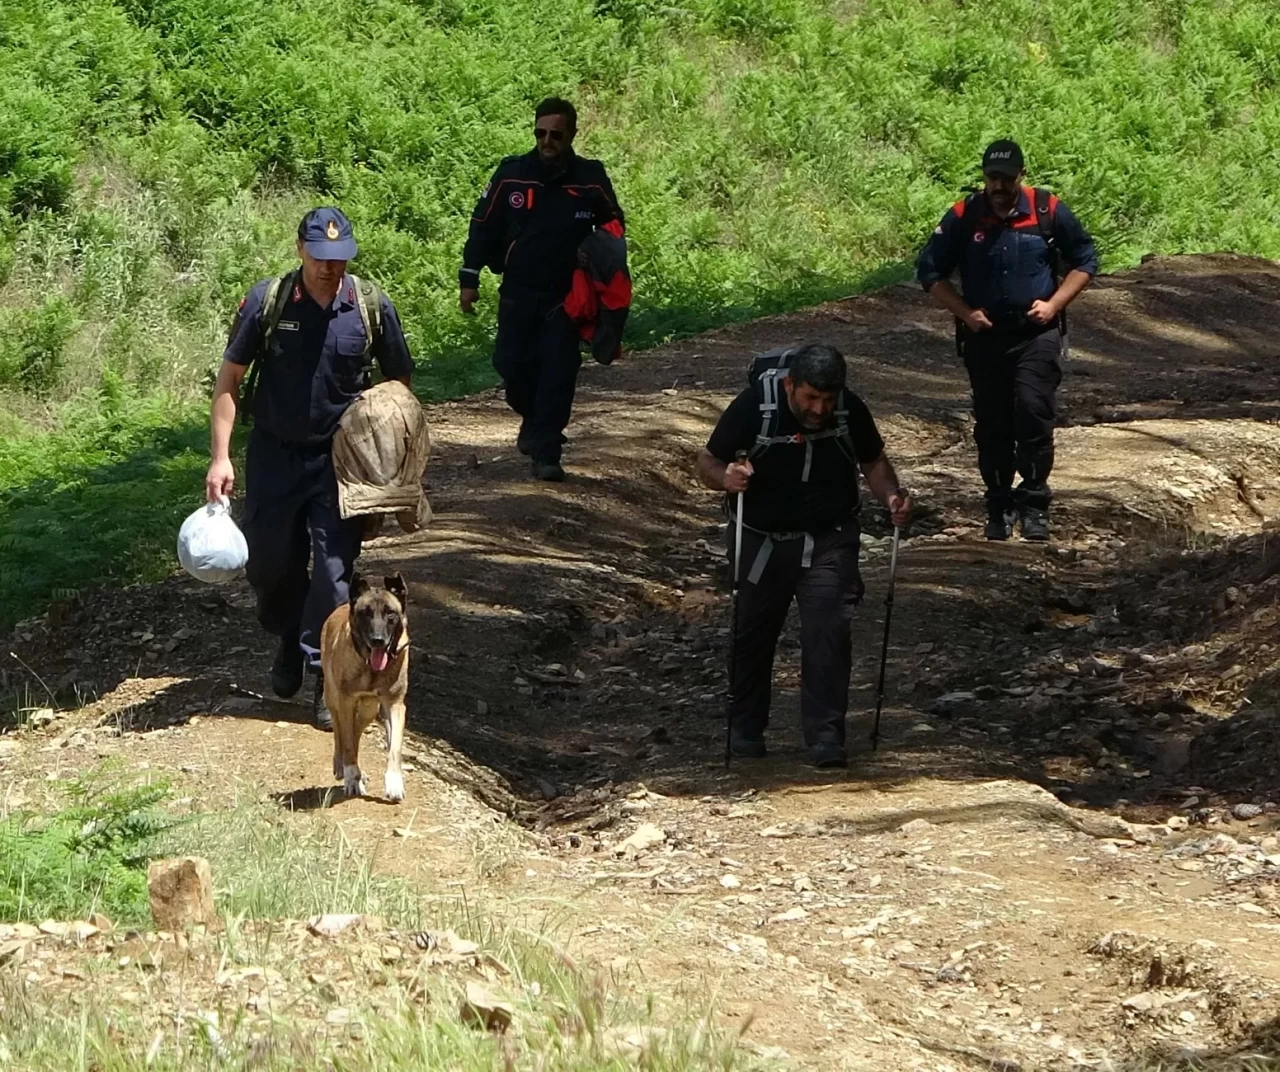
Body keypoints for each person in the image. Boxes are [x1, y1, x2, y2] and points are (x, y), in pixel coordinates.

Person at [205, 207, 415, 729]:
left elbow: (399, 386)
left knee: (332, 571)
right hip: (275, 455)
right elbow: (229, 381)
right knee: (270, 564)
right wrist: (220, 456)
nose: (330, 268)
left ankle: (324, 674)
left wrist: (392, 457)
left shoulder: (368, 306)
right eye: (321, 257)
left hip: (341, 463)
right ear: (300, 249)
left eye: (340, 259)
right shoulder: (267, 302)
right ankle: (288, 636)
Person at [695, 344, 912, 769]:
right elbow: (707, 462)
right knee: (753, 634)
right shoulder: (755, 406)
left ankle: (827, 736)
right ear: (791, 385)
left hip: (830, 538)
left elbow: (872, 461)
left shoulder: (850, 410)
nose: (820, 409)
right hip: (761, 539)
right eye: (811, 398)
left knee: (829, 632)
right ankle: (745, 728)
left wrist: (891, 497)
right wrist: (727, 478)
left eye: (828, 400)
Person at [916, 139, 1097, 542]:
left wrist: (1054, 305)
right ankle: (997, 505)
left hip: (1037, 334)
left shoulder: (1047, 210)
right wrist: (964, 313)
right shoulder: (964, 216)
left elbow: (1085, 261)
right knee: (993, 423)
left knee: (1033, 412)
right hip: (985, 337)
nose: (999, 185)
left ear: (1022, 175)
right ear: (984, 177)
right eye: (992, 177)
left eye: (1007, 178)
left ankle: (1034, 505)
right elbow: (929, 272)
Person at [459, 97, 624, 482]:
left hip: (566, 298)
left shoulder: (590, 178)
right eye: (541, 133)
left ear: (572, 134)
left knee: (558, 373)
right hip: (518, 292)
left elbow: (614, 226)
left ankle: (547, 452)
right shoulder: (512, 175)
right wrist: (469, 279)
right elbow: (482, 226)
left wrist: (600, 264)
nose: (547, 140)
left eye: (556, 134)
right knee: (511, 367)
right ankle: (533, 418)